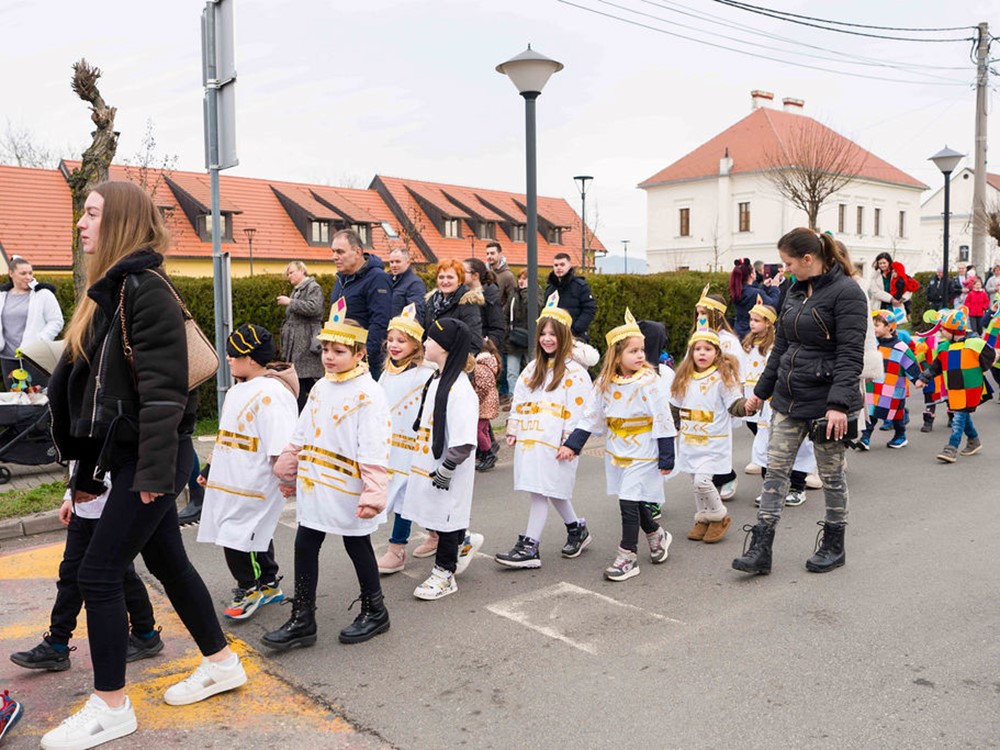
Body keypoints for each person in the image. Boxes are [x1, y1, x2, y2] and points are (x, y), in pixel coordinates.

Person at [45, 180, 245, 749]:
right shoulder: (106, 293)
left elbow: (164, 396)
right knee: (170, 565)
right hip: (126, 458)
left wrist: (156, 477)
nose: (81, 224)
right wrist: (80, 479)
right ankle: (222, 662)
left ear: (121, 222)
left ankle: (111, 708)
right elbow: (96, 403)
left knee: (99, 574)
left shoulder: (144, 289)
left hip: (151, 460)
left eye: (91, 214)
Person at [736, 228, 867, 577]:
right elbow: (781, 347)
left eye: (789, 262)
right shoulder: (794, 291)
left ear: (809, 259)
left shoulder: (848, 293)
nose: (785, 269)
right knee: (774, 472)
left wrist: (838, 404)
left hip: (827, 404)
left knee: (831, 475)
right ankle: (761, 548)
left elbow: (851, 354)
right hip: (787, 398)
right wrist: (760, 393)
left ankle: (833, 544)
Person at [262, 299, 392, 650]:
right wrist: (288, 466)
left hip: (349, 488)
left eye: (338, 351)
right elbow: (303, 432)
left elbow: (375, 447)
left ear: (360, 353)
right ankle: (304, 617)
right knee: (306, 543)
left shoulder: (370, 394)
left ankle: (375, 609)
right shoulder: (320, 387)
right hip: (315, 485)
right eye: (326, 350)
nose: (329, 357)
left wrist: (374, 492)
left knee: (357, 543)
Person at [557, 309, 676, 582]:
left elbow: (663, 419)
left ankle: (627, 555)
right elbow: (590, 416)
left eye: (642, 350)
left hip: (644, 449)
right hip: (618, 449)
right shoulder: (604, 383)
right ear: (617, 355)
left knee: (627, 500)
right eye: (633, 351)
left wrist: (667, 456)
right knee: (631, 497)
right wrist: (572, 446)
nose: (640, 356)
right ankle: (656, 534)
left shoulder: (650, 381)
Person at [10, 463, 163, 673]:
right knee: (70, 577)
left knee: (121, 576)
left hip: (113, 510)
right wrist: (69, 496)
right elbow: (79, 458)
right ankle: (57, 644)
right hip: (81, 511)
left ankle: (145, 634)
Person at [197, 324, 298, 621]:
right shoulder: (238, 390)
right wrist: (210, 466)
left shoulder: (271, 393)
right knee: (251, 532)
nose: (228, 359)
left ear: (251, 359)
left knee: (237, 536)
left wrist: (288, 480)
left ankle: (248, 586)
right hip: (231, 477)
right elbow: (227, 434)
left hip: (254, 480)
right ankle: (267, 583)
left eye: (233, 354)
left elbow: (281, 443)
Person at [496, 293, 593, 568]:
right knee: (550, 489)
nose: (547, 339)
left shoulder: (575, 373)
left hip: (557, 445)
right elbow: (520, 398)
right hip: (533, 440)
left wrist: (570, 443)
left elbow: (579, 412)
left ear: (565, 337)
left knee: (541, 492)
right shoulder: (532, 368)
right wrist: (514, 428)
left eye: (554, 334)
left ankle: (530, 547)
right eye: (543, 334)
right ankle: (577, 529)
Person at [401, 317, 480, 600]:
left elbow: (463, 438)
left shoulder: (459, 389)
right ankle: (464, 542)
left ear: (445, 347)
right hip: (429, 463)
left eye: (431, 340)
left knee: (446, 516)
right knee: (435, 512)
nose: (425, 343)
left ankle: (444, 573)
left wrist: (447, 467)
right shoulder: (436, 379)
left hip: (447, 467)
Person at [670, 317, 748, 544]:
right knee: (695, 484)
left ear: (717, 353)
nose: (702, 353)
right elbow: (674, 405)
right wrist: (673, 425)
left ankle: (720, 516)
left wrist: (747, 407)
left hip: (713, 442)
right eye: (697, 349)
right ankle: (703, 519)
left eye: (707, 349)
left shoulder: (722, 377)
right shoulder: (684, 377)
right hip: (690, 441)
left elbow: (735, 403)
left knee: (702, 482)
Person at [375, 304, 437, 575]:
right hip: (391, 446)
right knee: (406, 493)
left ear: (416, 345)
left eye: (401, 341)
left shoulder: (426, 374)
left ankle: (396, 549)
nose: (394, 345)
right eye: (390, 340)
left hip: (414, 446)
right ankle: (437, 533)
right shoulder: (386, 372)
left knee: (407, 494)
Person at [742, 302, 817, 508]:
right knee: (766, 444)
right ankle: (771, 488)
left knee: (798, 446)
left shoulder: (795, 347)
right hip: (771, 403)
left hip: (798, 401)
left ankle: (796, 487)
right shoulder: (765, 346)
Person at [918, 307, 995, 463]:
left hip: (971, 388)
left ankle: (951, 448)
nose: (941, 333)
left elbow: (990, 355)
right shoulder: (944, 347)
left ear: (955, 331)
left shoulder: (975, 344)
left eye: (944, 330)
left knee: (959, 415)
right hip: (954, 388)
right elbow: (936, 366)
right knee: (962, 413)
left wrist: (982, 369)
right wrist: (924, 378)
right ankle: (973, 440)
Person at [694, 286, 744, 500]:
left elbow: (735, 370)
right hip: (701, 398)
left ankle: (726, 476)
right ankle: (712, 478)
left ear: (716, 315)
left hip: (721, 398)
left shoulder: (728, 341)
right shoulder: (699, 338)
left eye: (704, 313)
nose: (700, 317)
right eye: (698, 313)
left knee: (718, 443)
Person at [330, 228, 391, 380]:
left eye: (340, 252)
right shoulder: (341, 279)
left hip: (364, 362)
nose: (334, 257)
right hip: (341, 358)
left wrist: (364, 356)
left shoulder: (377, 278)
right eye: (333, 252)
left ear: (357, 252)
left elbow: (380, 321)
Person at [857, 309, 923, 451]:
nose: (874, 328)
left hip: (894, 387)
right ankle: (865, 437)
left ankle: (900, 435)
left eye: (877, 325)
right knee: (871, 412)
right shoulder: (874, 345)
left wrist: (917, 379)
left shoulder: (900, 347)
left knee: (896, 414)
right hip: (875, 385)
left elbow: (910, 363)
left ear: (889, 327)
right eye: (872, 325)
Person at [277, 260, 325, 411]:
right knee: (301, 378)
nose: (289, 276)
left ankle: (311, 410)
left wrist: (290, 302)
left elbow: (314, 308)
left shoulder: (313, 287)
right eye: (288, 273)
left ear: (301, 271)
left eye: (291, 272)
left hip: (306, 340)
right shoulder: (298, 289)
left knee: (304, 377)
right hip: (297, 340)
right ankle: (310, 409)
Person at [0, 256, 63, 358]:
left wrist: (40, 341)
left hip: (34, 357)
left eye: (30, 273)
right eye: (23, 273)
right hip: (6, 358)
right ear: (11, 273)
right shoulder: (2, 296)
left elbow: (56, 321)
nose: (28, 277)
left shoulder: (43, 294)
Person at [422, 259, 483, 353]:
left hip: (454, 362)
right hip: (430, 360)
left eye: (450, 277)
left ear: (459, 280)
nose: (445, 281)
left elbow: (474, 342)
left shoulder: (467, 304)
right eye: (441, 277)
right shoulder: (431, 302)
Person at [503, 269, 541, 402]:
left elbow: (535, 308)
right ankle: (514, 398)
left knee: (533, 369)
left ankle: (533, 397)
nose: (521, 281)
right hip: (514, 338)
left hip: (530, 338)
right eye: (520, 278)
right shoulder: (513, 294)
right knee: (511, 372)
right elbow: (506, 313)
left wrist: (525, 292)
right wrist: (508, 330)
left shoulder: (536, 293)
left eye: (525, 278)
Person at [545, 252, 596, 342]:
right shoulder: (550, 289)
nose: (559, 268)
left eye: (562, 264)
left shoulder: (580, 286)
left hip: (575, 337)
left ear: (569, 266)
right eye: (556, 265)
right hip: (554, 337)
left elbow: (589, 310)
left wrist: (574, 330)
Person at [730, 258, 779, 340]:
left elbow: (751, 294)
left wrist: (763, 287)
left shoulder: (737, 290)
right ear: (751, 274)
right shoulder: (756, 293)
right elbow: (772, 304)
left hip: (738, 330)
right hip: (752, 333)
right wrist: (774, 288)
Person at [472, 340, 501, 472]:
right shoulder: (489, 364)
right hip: (489, 403)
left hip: (484, 404)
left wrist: (474, 398)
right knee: (483, 429)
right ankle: (486, 452)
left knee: (478, 430)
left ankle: (488, 453)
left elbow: (482, 388)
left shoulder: (481, 367)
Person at [464, 257, 504, 351]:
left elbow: (497, 328)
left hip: (482, 350)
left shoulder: (490, 295)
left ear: (475, 275)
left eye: (463, 271)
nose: (458, 274)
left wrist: (487, 346)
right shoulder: (461, 295)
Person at [388, 247, 427, 320]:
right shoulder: (388, 281)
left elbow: (414, 313)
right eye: (391, 262)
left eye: (398, 261)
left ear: (408, 262)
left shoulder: (415, 284)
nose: (394, 265)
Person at [868, 252, 907, 317]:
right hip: (879, 307)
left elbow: (908, 287)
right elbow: (875, 291)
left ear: (889, 262)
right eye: (880, 263)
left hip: (895, 307)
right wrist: (891, 299)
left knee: (894, 326)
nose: (882, 265)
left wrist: (902, 299)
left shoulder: (897, 273)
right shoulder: (875, 275)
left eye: (884, 263)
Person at [485, 241, 517, 311]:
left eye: (492, 253)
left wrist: (502, 313)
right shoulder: (484, 273)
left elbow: (513, 299)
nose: (489, 256)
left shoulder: (508, 276)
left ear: (500, 254)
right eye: (487, 254)